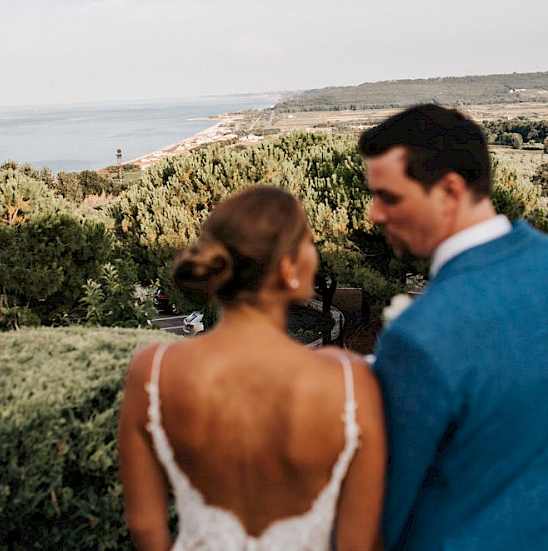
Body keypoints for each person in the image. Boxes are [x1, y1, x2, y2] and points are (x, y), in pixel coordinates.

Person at [358, 105, 548, 550]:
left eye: (389, 197)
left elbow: (385, 509)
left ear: (449, 190)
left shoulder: (421, 336)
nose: (375, 214)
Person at [119, 185, 386, 551]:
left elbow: (146, 525)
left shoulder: (153, 370)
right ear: (290, 267)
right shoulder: (347, 380)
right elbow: (359, 539)